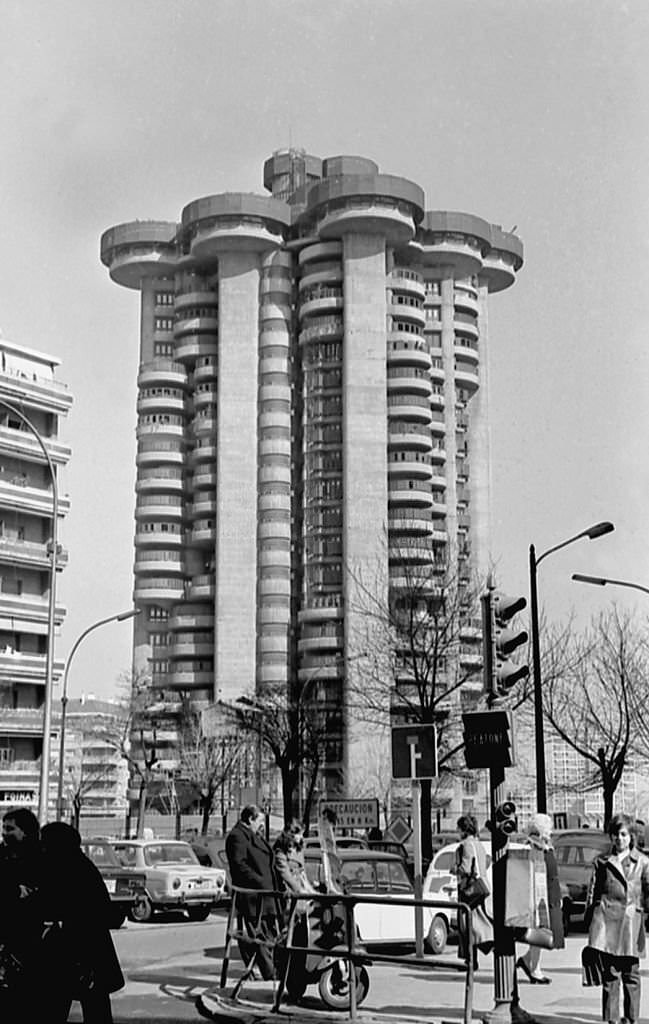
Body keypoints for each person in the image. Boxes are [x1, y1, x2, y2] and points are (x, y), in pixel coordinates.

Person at [40, 822, 124, 1023]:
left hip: (83, 953)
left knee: (63, 1006)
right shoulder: (78, 865)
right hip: (88, 953)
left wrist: (60, 924)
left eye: (45, 842)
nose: (41, 846)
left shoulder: (73, 869)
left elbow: (94, 912)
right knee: (94, 1007)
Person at [585, 813, 649, 1024]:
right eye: (615, 835)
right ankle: (611, 1020)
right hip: (608, 922)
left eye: (624, 834)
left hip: (632, 922)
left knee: (631, 975)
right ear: (611, 837)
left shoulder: (643, 862)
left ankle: (631, 1019)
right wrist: (592, 923)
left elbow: (648, 892)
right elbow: (593, 893)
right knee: (610, 975)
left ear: (631, 836)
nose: (620, 839)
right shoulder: (602, 862)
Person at [0, 808, 45, 1017]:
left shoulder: (39, 858)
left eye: (10, 828)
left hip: (30, 940)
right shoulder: (2, 856)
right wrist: (14, 891)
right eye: (3, 827)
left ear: (25, 831)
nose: (4, 833)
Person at [225, 804, 279, 980]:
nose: (262, 825)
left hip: (265, 895)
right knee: (259, 936)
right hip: (253, 897)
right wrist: (260, 881)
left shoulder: (252, 835)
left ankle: (271, 970)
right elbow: (239, 865)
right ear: (250, 819)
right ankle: (270, 973)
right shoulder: (237, 837)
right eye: (260, 821)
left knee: (269, 935)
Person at [516, 813, 565, 985]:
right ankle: (534, 969)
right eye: (548, 826)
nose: (551, 829)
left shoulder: (546, 845)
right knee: (540, 933)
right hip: (539, 895)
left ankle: (528, 961)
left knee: (545, 934)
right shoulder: (533, 846)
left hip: (550, 892)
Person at [454, 814, 492, 972]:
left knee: (467, 926)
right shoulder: (479, 844)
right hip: (481, 888)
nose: (457, 831)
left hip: (469, 891)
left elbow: (466, 868)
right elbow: (486, 861)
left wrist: (454, 870)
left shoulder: (467, 845)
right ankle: (475, 955)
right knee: (478, 924)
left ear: (463, 829)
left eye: (459, 828)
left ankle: (471, 960)